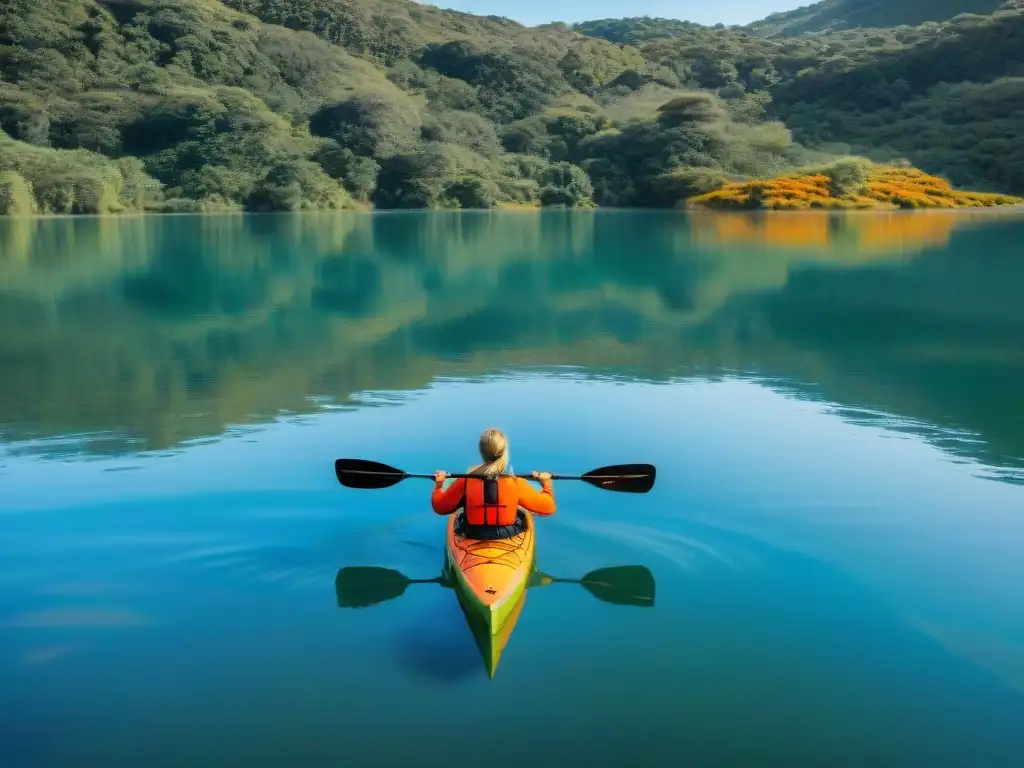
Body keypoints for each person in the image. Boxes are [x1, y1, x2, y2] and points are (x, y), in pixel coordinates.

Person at [431, 427, 555, 539]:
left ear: (481, 452)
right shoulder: (516, 483)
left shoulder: (465, 481)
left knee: (460, 514)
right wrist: (546, 484)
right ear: (504, 451)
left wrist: (439, 485)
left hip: (472, 533)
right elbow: (549, 508)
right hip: (508, 532)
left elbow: (440, 507)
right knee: (522, 513)